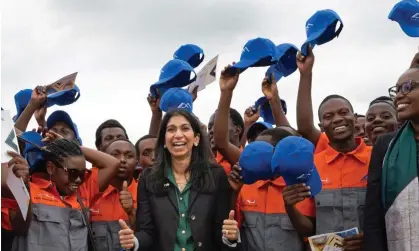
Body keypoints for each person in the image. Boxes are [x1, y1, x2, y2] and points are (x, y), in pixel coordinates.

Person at [118, 109, 235, 251]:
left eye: (185, 128)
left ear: (196, 138)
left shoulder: (216, 175)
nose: (178, 135)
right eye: (171, 129)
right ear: (164, 141)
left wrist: (230, 238)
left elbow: (220, 232)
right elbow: (147, 232)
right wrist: (134, 241)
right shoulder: (148, 178)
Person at [291, 46, 372, 251]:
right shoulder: (312, 167)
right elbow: (307, 227)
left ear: (354, 119)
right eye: (328, 117)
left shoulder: (378, 159)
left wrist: (369, 238)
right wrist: (289, 207)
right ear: (322, 127)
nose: (337, 119)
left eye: (344, 112)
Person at [2, 137, 120, 251]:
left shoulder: (83, 191)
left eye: (82, 173)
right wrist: (24, 190)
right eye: (73, 172)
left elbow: (112, 164)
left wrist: (68, 144)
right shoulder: (27, 189)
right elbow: (18, 227)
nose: (78, 179)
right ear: (51, 168)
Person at [223, 127, 315, 251]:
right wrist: (234, 191)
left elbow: (309, 232)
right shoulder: (246, 186)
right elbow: (232, 229)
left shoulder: (299, 186)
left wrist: (290, 208)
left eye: (262, 151)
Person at [364, 62, 419, 251]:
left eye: (408, 87)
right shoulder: (385, 146)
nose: (400, 96)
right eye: (396, 90)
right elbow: (374, 218)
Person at [90, 138, 138, 251]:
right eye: (115, 155)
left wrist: (132, 212)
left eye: (129, 156)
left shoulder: (146, 192)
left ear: (137, 162)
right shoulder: (90, 192)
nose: (122, 160)